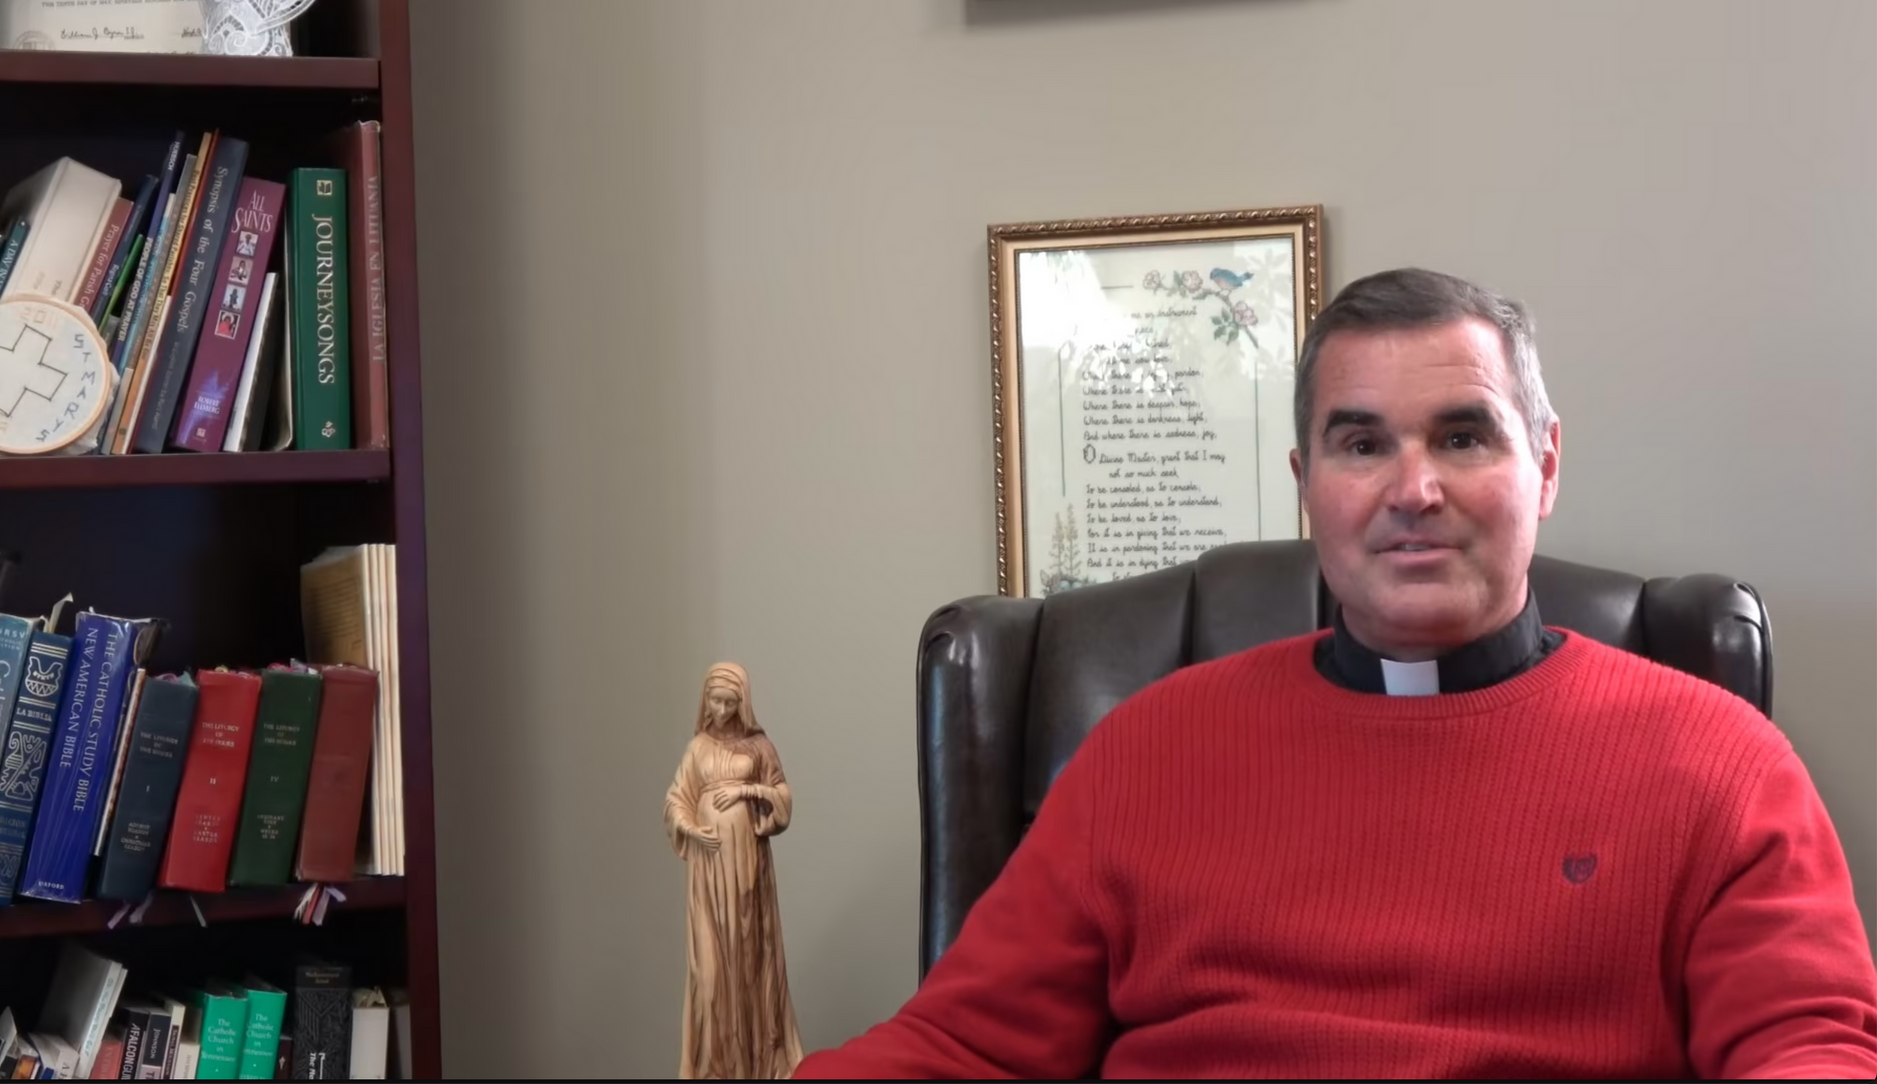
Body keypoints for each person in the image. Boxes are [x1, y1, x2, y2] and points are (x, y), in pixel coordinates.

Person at [793, 268, 1877, 1079]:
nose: (1413, 489)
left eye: (1463, 437)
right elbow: (959, 1045)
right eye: (1362, 445)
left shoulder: (1721, 765)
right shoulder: (1146, 752)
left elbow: (1809, 1047)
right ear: (1308, 482)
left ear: (1542, 467)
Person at [664, 661, 805, 1079]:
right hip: (708, 877)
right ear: (704, 699)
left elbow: (782, 794)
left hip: (748, 875)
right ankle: (713, 1071)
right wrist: (692, 828)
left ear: (742, 703)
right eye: (715, 700)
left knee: (750, 968)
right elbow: (675, 800)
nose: (722, 709)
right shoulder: (697, 749)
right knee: (709, 978)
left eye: (730, 702)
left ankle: (758, 1068)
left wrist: (746, 789)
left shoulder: (758, 747)